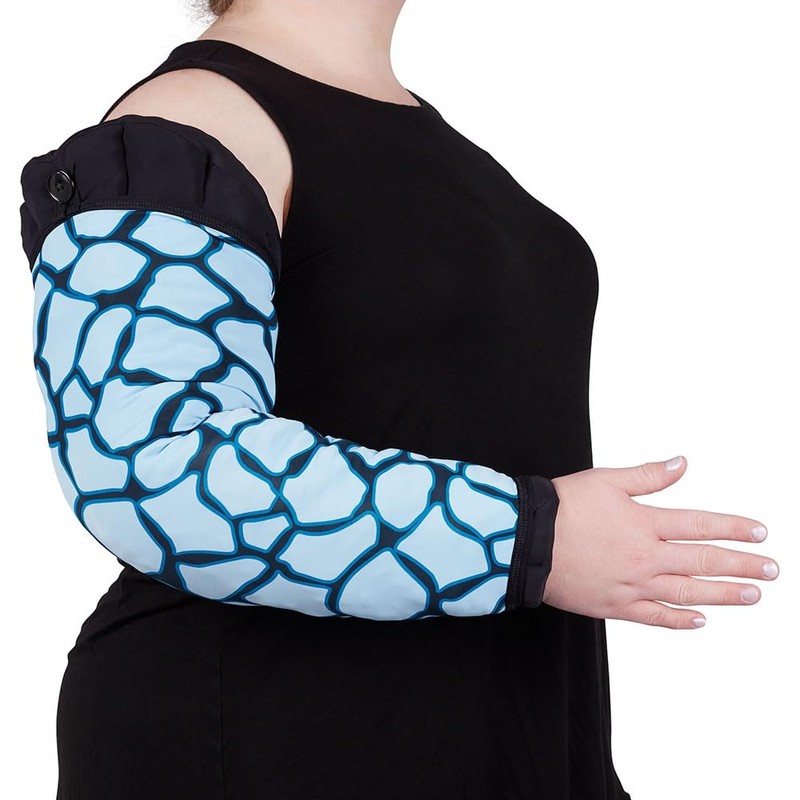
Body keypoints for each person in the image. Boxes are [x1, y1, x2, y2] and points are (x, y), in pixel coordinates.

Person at [19, 1, 779, 798]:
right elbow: (149, 468)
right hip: (267, 736)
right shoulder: (190, 119)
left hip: (490, 732)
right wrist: (530, 538)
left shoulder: (448, 154)